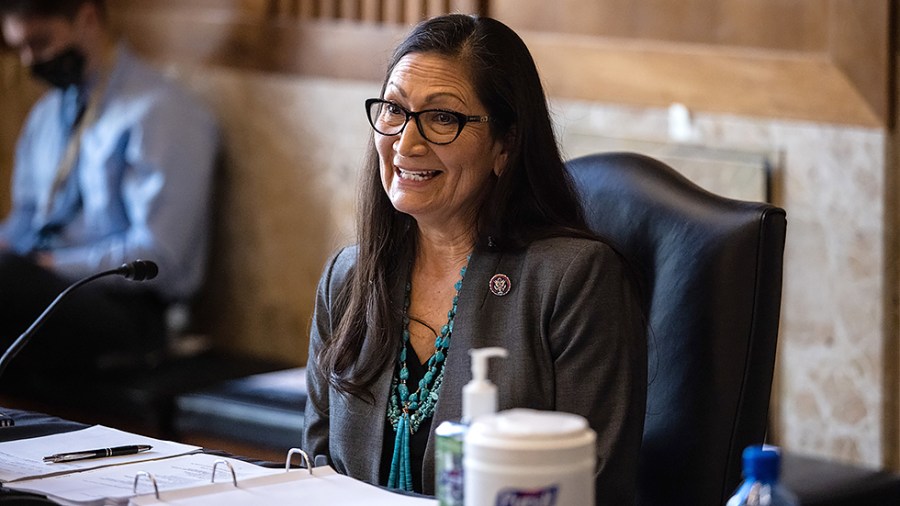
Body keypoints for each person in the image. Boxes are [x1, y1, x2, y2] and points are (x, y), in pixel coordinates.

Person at [302, 13, 647, 505]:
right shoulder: (348, 278)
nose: (406, 142)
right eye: (394, 110)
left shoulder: (574, 278)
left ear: (504, 145)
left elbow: (591, 485)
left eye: (443, 117)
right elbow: (315, 477)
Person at [0, 0, 218, 376]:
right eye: (19, 47)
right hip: (44, 286)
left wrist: (49, 265)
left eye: (40, 42)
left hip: (125, 306)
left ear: (87, 18)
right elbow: (24, 221)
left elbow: (160, 256)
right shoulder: (48, 114)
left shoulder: (162, 111)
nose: (28, 61)